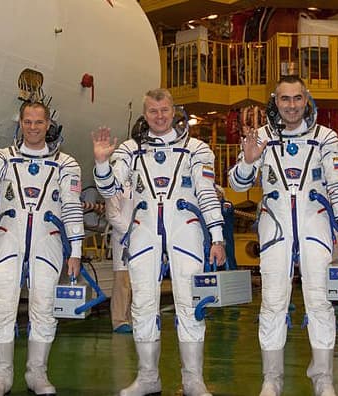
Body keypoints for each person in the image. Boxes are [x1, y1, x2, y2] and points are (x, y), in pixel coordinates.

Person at [92, 88, 226, 396]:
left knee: (191, 304)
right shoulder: (129, 149)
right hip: (144, 230)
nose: (160, 116)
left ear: (174, 111)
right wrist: (101, 163)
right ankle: (148, 377)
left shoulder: (197, 149)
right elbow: (109, 187)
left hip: (186, 230)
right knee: (142, 304)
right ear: (145, 114)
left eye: (164, 110)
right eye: (153, 111)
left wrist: (217, 236)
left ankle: (193, 380)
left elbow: (207, 193)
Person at [229, 75, 338, 396]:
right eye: (285, 99)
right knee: (272, 302)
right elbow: (238, 184)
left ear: (306, 100)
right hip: (276, 228)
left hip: (316, 226)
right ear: (275, 101)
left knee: (320, 301)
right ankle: (272, 378)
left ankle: (323, 376)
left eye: (297, 98)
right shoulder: (260, 137)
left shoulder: (326, 138)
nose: (292, 105)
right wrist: (248, 160)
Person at [0, 101, 83, 396]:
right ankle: (1, 376)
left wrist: (75, 250)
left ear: (48, 124)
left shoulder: (66, 163)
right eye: (28, 121)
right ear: (20, 123)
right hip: (8, 239)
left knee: (44, 308)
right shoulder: (3, 158)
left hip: (47, 241)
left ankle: (37, 373)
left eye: (39, 122)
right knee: (0, 307)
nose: (33, 127)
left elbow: (72, 207)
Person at [105, 181, 133, 334]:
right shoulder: (116, 184)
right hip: (123, 239)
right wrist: (129, 231)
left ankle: (135, 317)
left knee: (139, 282)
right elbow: (112, 214)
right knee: (122, 281)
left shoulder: (142, 180)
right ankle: (119, 320)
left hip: (144, 239)